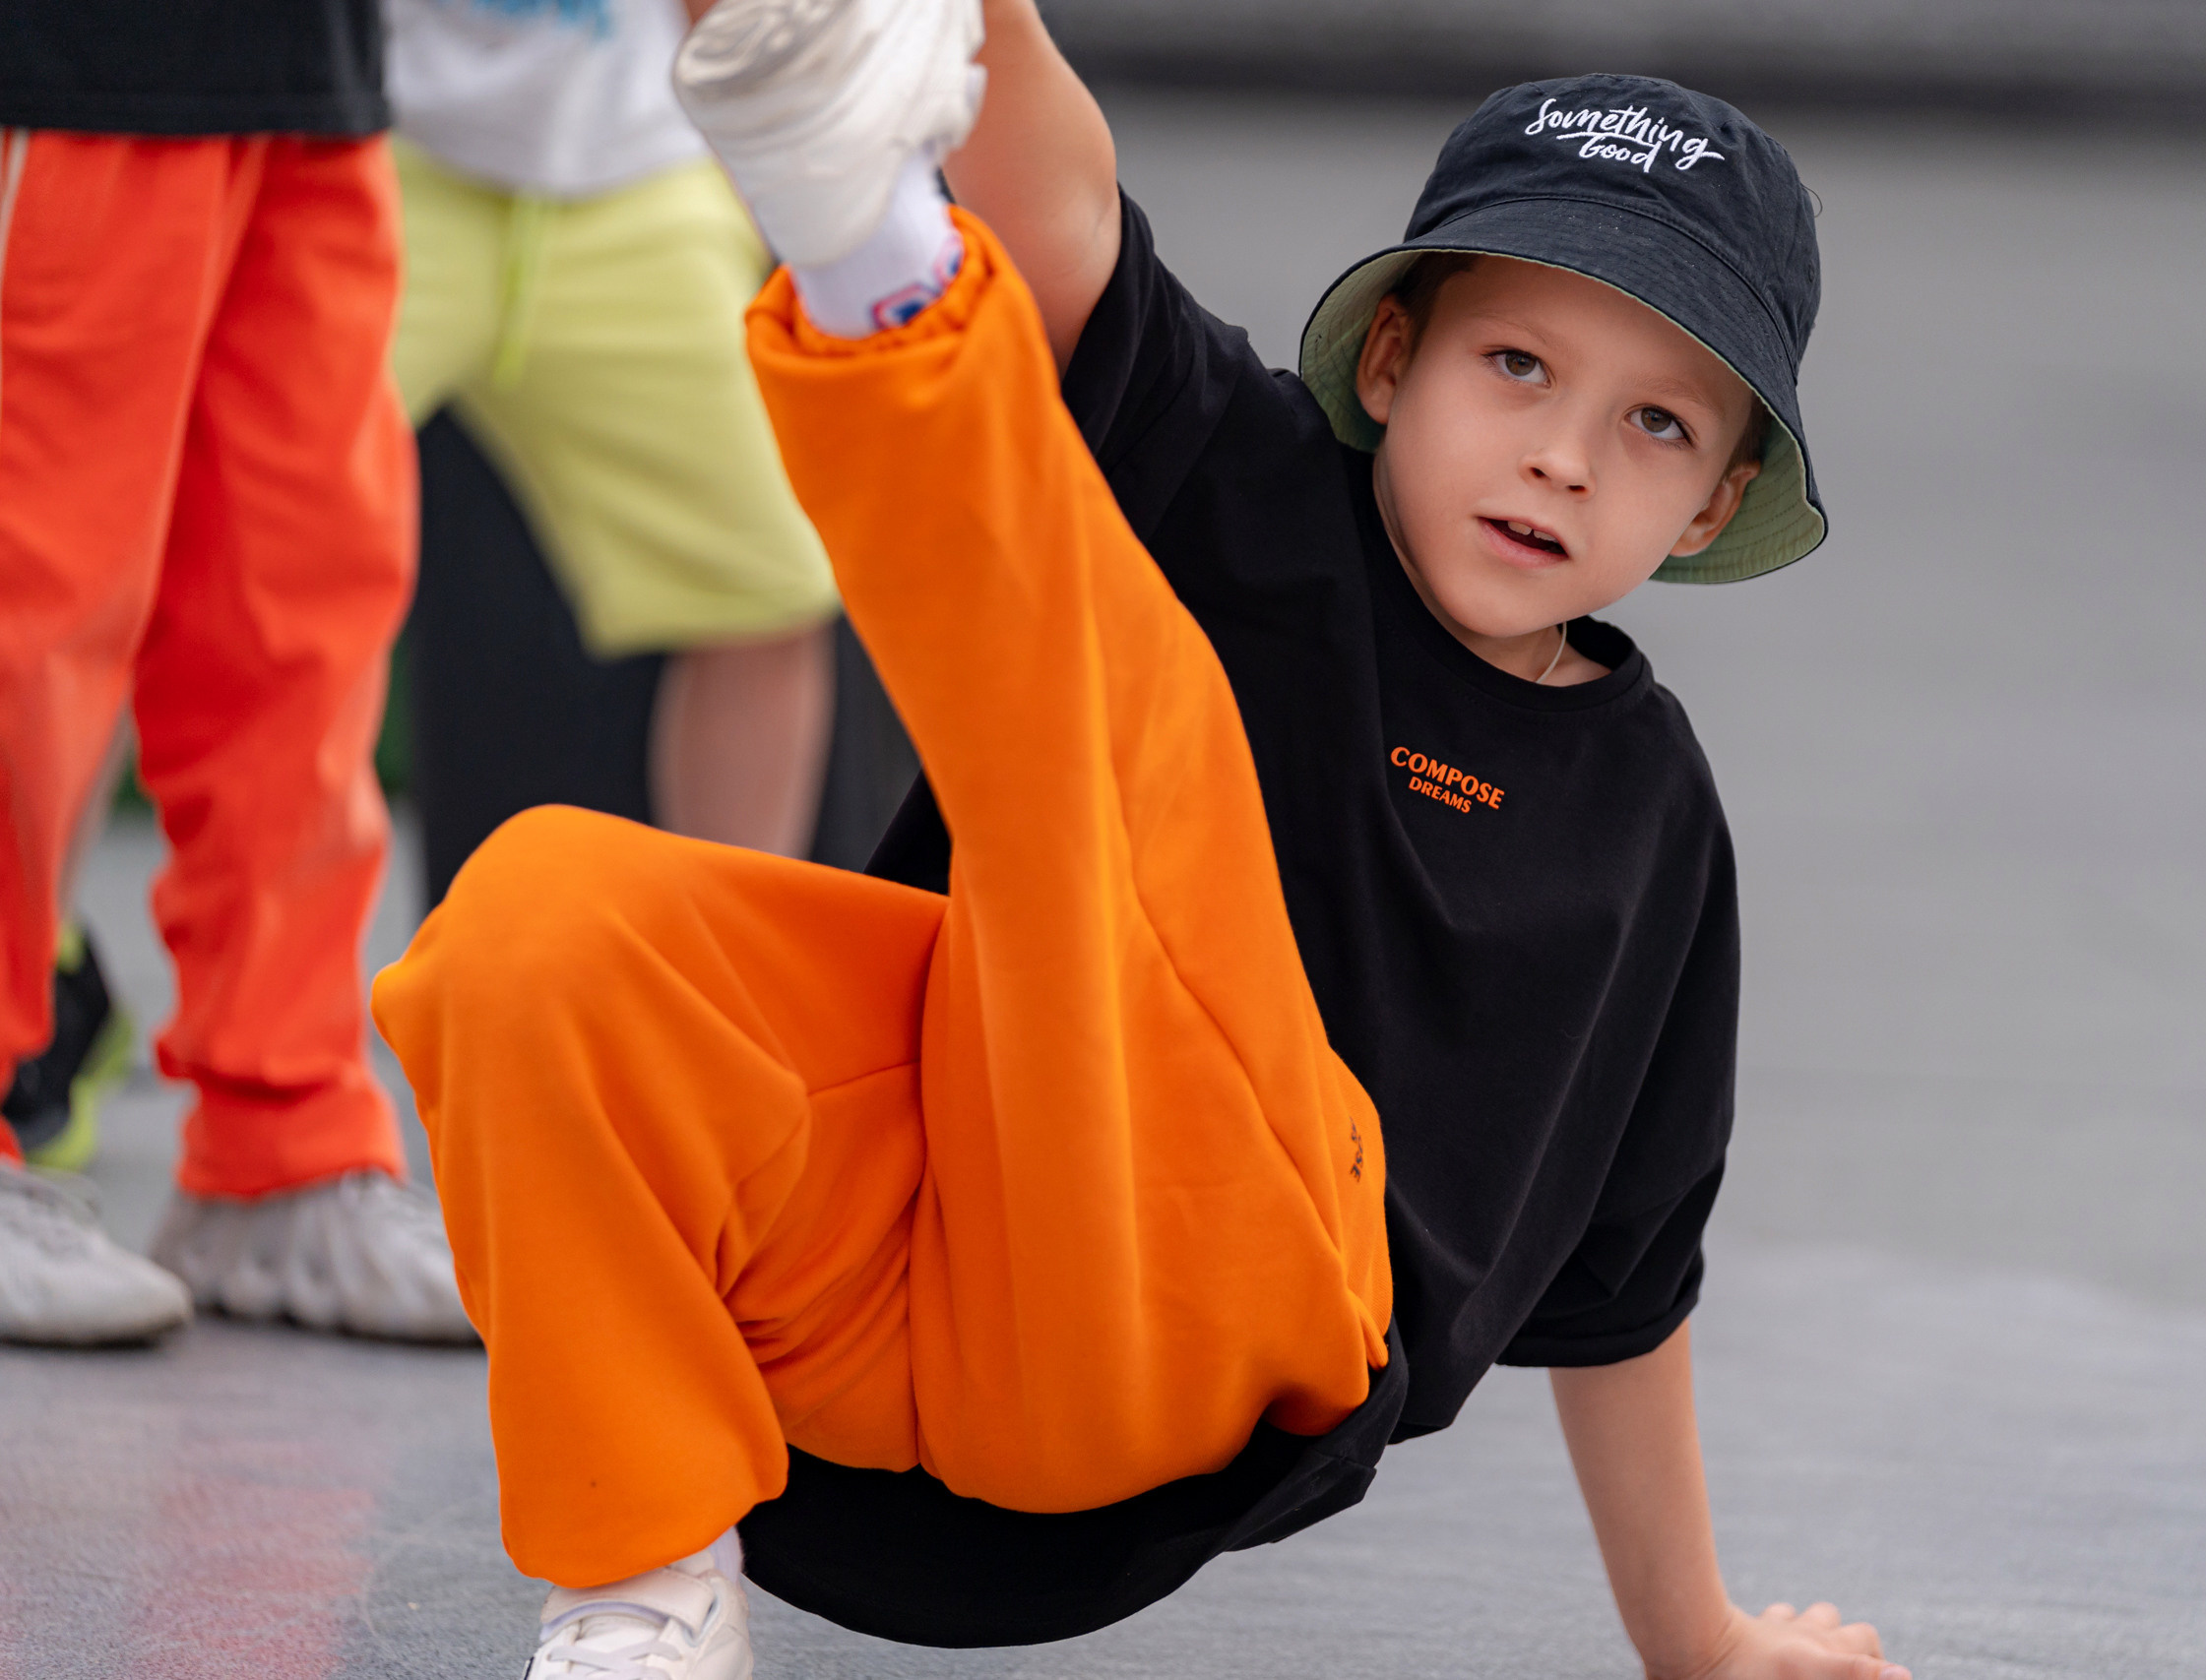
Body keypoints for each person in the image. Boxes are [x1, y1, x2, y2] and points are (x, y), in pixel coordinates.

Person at [374, 0, 1914, 1675]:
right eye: (1517, 365)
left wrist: (1698, 1638)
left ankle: (859, 241)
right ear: (1392, 363)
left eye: (1657, 427)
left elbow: (1627, 1288)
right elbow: (1059, 217)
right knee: (540, 907)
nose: (1561, 453)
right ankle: (639, 1585)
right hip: (889, 1311)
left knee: (1134, 722)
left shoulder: (1648, 820)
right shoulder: (1246, 481)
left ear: (1706, 507)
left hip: (1201, 1350)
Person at [0, 1, 471, 1345]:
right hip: (67, 60)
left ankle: (282, 1147)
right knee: (27, 595)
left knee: (299, 622)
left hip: (310, 64)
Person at [386, 0, 843, 860]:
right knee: (170, 547)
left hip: (635, 167)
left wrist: (759, 159)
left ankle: (715, 981)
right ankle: (59, 957)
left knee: (770, 587)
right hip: (379, 152)